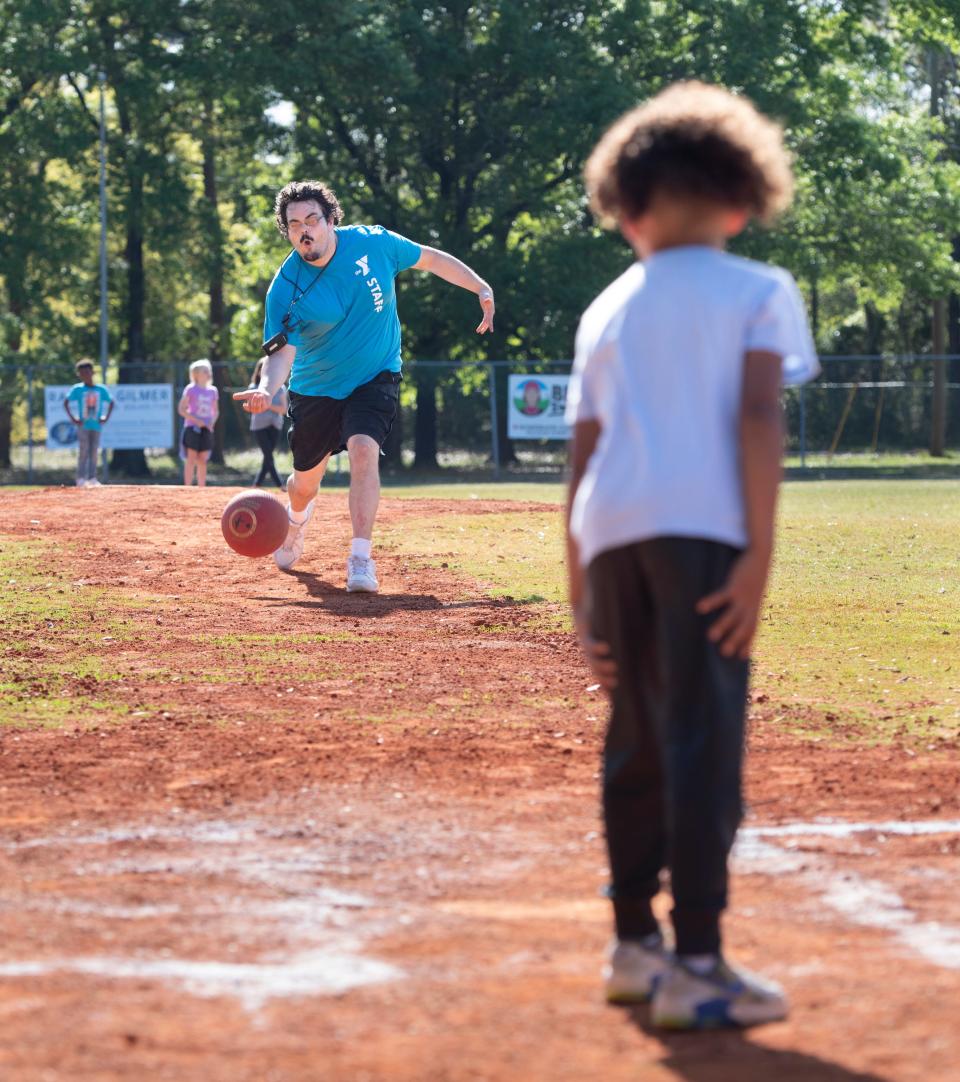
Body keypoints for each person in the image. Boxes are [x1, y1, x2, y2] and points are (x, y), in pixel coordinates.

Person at [565, 82, 819, 1030]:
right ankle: (701, 961)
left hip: (613, 537)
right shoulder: (759, 289)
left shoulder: (606, 307)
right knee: (702, 739)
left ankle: (634, 946)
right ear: (742, 197)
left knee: (634, 734)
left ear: (624, 211)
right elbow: (757, 416)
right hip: (702, 533)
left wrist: (579, 589)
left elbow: (580, 460)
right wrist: (756, 557)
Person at [233, 180, 494, 593]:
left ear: (331, 219)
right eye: (294, 223)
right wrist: (267, 387)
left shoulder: (375, 243)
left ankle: (360, 558)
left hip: (376, 374)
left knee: (363, 448)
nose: (305, 230)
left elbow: (430, 259)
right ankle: (296, 522)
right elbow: (281, 353)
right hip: (316, 386)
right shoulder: (285, 289)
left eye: (313, 220)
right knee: (305, 483)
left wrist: (479, 286)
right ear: (286, 230)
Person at [63, 360, 113, 487]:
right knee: (84, 450)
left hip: (96, 425)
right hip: (83, 425)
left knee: (94, 451)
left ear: (92, 372)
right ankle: (80, 478)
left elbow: (111, 402)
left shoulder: (101, 389)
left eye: (87, 372)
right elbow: (66, 402)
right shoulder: (78, 389)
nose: (84, 375)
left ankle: (92, 478)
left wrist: (106, 417)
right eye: (81, 373)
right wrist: (73, 418)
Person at [178, 359, 219, 487]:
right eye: (205, 371)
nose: (208, 373)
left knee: (203, 460)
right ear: (196, 374)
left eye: (209, 371)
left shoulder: (213, 390)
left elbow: (216, 411)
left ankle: (202, 488)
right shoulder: (190, 389)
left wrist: (212, 422)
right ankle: (188, 488)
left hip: (206, 429)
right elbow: (181, 409)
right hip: (192, 428)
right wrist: (197, 421)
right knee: (191, 458)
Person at [247, 359, 287, 488]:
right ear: (258, 371)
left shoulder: (281, 388)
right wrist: (266, 404)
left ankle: (256, 485)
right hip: (259, 426)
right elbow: (252, 408)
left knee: (267, 457)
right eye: (262, 368)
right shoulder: (253, 388)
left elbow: (283, 409)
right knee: (268, 455)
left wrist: (267, 404)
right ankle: (280, 484)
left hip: (275, 425)